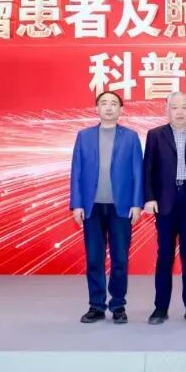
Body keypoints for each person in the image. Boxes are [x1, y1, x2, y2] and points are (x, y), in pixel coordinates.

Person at [69, 91, 143, 324]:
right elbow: (76, 171)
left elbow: (138, 172)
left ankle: (118, 305)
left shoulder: (131, 137)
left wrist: (137, 203)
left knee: (120, 259)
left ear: (121, 109)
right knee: (94, 258)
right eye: (104, 103)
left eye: (113, 104)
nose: (109, 107)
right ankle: (96, 306)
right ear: (97, 108)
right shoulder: (84, 136)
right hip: (91, 208)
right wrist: (77, 204)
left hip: (121, 207)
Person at [143, 92, 186, 324]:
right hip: (164, 202)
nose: (180, 111)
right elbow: (148, 169)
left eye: (184, 107)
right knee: (164, 256)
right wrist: (149, 198)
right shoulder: (155, 135)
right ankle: (160, 308)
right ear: (167, 110)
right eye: (174, 107)